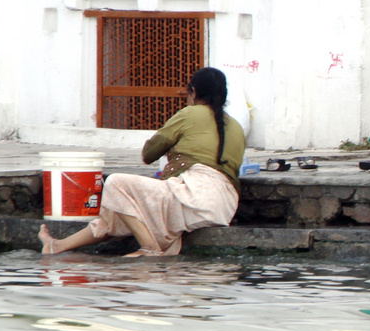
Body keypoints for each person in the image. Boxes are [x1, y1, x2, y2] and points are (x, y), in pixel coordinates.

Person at [39, 67, 245, 257]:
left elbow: (149, 154)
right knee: (118, 211)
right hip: (223, 206)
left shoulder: (190, 113)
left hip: (195, 197)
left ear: (193, 92)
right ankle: (57, 246)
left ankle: (149, 248)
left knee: (116, 183)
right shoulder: (236, 126)